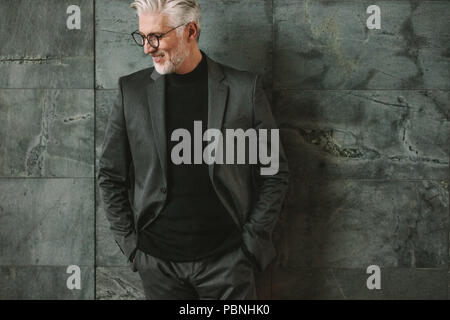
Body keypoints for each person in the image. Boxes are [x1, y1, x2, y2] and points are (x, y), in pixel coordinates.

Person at [97, 0, 289, 300]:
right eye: (143, 37)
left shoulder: (244, 89)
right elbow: (110, 176)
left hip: (228, 261)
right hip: (156, 263)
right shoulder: (130, 92)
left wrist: (250, 244)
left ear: (191, 30)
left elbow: (274, 173)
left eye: (156, 36)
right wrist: (131, 247)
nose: (147, 48)